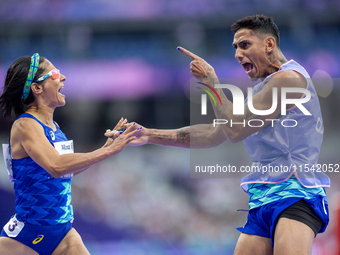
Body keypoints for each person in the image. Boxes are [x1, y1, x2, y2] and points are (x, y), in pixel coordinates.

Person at [121, 15, 330, 255]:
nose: (238, 54)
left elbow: (235, 130)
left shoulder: (289, 80)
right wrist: (148, 134)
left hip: (296, 193)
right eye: (235, 47)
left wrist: (211, 83)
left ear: (269, 44)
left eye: (245, 45)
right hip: (263, 197)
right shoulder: (263, 90)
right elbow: (212, 133)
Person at [0, 53, 141, 255]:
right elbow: (56, 166)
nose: (63, 77)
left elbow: (65, 170)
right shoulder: (25, 125)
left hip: (62, 233)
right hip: (26, 237)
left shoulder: (56, 129)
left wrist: (104, 150)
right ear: (37, 87)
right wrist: (107, 152)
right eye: (55, 74)